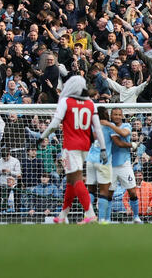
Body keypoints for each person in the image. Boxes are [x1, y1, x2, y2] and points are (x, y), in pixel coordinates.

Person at [40, 75, 105, 224]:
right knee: (70, 180)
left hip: (70, 146)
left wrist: (42, 136)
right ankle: (63, 216)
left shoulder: (65, 101)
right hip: (85, 146)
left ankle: (90, 213)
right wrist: (102, 148)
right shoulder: (90, 103)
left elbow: (55, 124)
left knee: (76, 179)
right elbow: (98, 129)